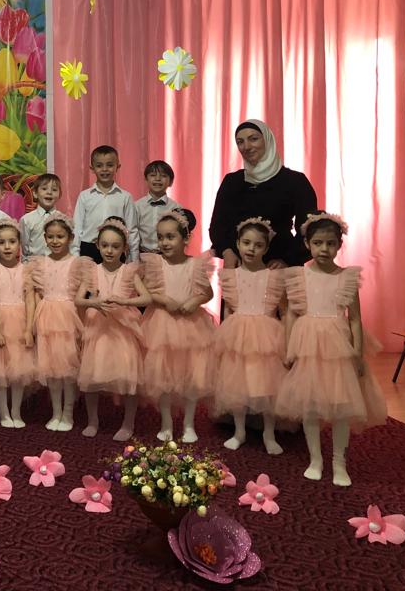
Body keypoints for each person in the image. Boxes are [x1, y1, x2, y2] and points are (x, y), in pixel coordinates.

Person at [274, 212, 386, 487]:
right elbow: (291, 315)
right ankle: (315, 459)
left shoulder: (346, 277)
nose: (324, 249)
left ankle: (339, 461)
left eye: (330, 243)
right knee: (310, 406)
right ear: (307, 244)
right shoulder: (299, 276)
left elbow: (355, 319)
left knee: (341, 409)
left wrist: (357, 353)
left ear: (339, 245)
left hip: (338, 350)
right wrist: (289, 348)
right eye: (318, 243)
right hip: (308, 348)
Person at [140, 209, 216, 444]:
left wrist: (195, 301)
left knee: (191, 378)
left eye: (170, 237)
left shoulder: (195, 265)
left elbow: (208, 292)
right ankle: (166, 423)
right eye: (160, 237)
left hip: (191, 326)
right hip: (162, 325)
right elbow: (147, 291)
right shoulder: (156, 264)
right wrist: (164, 300)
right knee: (163, 378)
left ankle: (189, 424)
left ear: (185, 238)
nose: (164, 242)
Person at [213, 218, 288, 454]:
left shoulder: (274, 276)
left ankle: (268, 433)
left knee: (267, 385)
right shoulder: (231, 276)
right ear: (237, 243)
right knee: (237, 385)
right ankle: (239, 431)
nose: (251, 249)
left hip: (267, 338)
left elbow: (284, 310)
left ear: (266, 248)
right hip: (237, 336)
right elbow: (228, 309)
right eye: (246, 243)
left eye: (258, 245)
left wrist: (286, 341)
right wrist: (224, 338)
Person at [74, 218, 151, 441]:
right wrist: (94, 302)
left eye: (115, 246)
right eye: (105, 245)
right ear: (97, 245)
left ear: (124, 248)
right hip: (98, 328)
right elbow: (79, 300)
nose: (109, 250)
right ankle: (93, 420)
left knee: (128, 375)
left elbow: (147, 298)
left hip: (123, 329)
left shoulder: (129, 271)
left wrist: (125, 301)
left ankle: (128, 424)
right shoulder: (92, 271)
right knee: (92, 376)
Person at [209, 119, 318, 269]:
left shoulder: (294, 181)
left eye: (253, 139)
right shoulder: (232, 181)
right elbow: (218, 226)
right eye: (240, 142)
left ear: (267, 140)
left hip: (280, 267)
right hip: (239, 266)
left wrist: (288, 260)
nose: (246, 146)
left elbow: (309, 229)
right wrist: (226, 251)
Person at [29, 212, 85, 432]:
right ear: (44, 238)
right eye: (50, 236)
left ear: (70, 238)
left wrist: (82, 324)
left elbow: (82, 296)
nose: (55, 241)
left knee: (68, 368)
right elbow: (36, 293)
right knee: (51, 368)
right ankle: (56, 412)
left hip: (68, 318)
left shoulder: (77, 264)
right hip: (47, 316)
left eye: (60, 236)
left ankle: (68, 413)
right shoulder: (40, 264)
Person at [0, 218, 36, 428]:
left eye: (12, 242)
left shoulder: (27, 270)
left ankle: (16, 411)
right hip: (0, 321)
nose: (7, 247)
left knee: (18, 369)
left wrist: (29, 328)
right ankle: (4, 412)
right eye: (1, 242)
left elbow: (30, 301)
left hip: (20, 322)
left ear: (19, 244)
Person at [72, 145, 139, 264]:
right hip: (88, 248)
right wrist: (75, 254)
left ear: (118, 166)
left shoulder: (125, 197)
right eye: (99, 165)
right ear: (92, 168)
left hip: (116, 248)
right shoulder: (84, 196)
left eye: (110, 165)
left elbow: (132, 229)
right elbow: (77, 228)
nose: (104, 169)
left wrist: (134, 259)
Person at [134, 161, 182, 254]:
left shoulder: (176, 208)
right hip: (142, 255)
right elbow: (133, 233)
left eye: (163, 176)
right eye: (153, 175)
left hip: (168, 255)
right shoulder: (137, 206)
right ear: (146, 179)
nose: (158, 179)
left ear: (171, 182)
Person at [20, 173, 63, 259]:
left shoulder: (63, 219)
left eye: (54, 190)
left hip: (56, 263)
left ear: (59, 195)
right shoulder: (27, 219)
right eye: (44, 189)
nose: (49, 192)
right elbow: (24, 246)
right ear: (35, 193)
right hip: (34, 263)